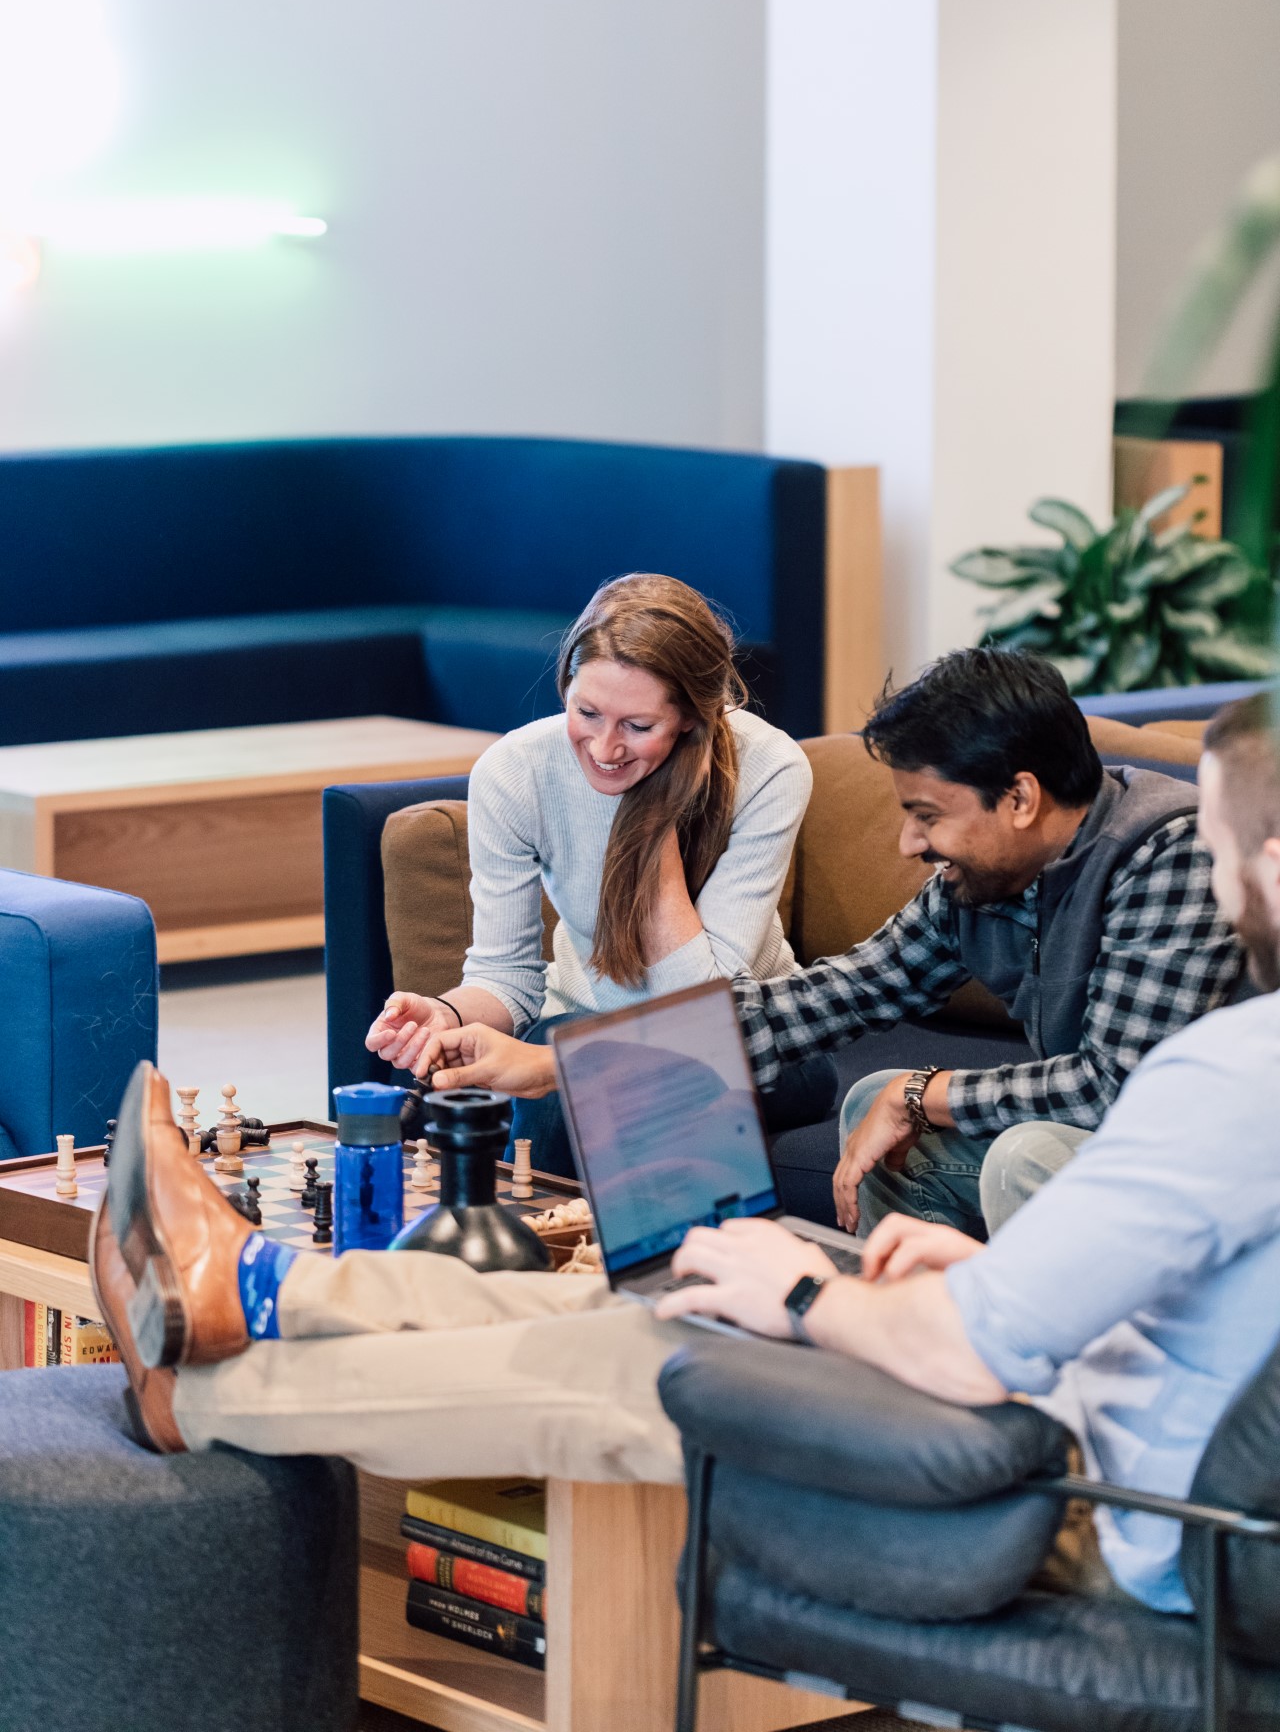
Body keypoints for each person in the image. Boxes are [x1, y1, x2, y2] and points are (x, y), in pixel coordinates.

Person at [92, 690, 1280, 1615]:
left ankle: (208, 1394)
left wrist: (808, 1287)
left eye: (1222, 850)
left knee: (659, 1359)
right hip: (1081, 1418)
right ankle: (264, 1286)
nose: (1213, 882)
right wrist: (569, 1065)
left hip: (1088, 1507)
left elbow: (972, 1354)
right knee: (679, 1298)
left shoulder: (1233, 1072)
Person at [423, 648, 1244, 1238]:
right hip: (1115, 1134)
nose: (908, 845)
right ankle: (909, 1349)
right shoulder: (981, 879)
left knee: (1017, 1150)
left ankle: (1057, 1400)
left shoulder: (1173, 857)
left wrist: (926, 1091)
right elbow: (833, 997)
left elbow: (1118, 1089)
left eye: (926, 815)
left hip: (1222, 1155)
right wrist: (558, 1063)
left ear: (1020, 799)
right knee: (871, 1097)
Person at [363, 572, 831, 1176]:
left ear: (694, 717)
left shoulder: (770, 768)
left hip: (757, 1044)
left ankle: (549, 1250)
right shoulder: (516, 771)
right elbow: (507, 977)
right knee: (568, 1049)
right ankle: (560, 1254)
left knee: (578, 1064)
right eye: (586, 712)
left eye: (637, 726)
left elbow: (707, 1011)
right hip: (581, 1024)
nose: (605, 749)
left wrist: (652, 821)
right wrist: (447, 1014)